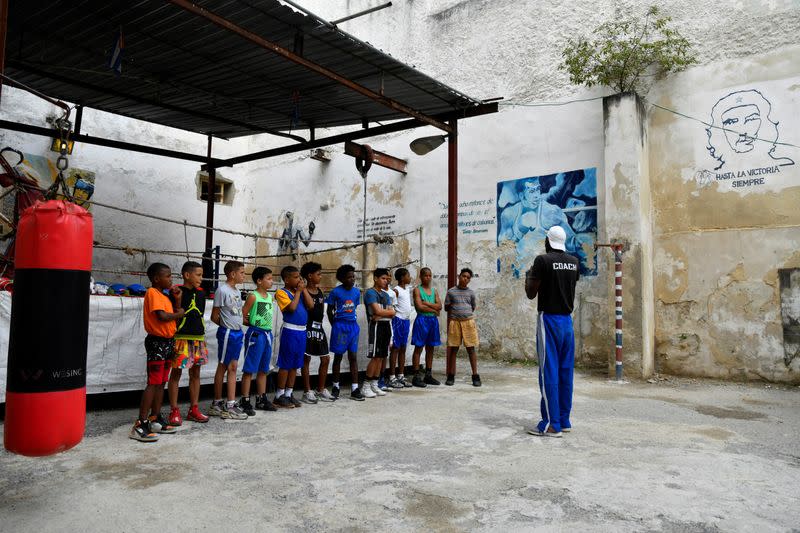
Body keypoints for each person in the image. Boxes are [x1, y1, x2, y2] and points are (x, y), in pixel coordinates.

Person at [524, 226, 579, 438]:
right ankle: (564, 420)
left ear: (548, 241)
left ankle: (551, 424)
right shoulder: (574, 262)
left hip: (549, 320)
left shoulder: (542, 260)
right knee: (566, 372)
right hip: (567, 321)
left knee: (549, 371)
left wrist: (529, 276)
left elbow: (531, 294)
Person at [130, 262, 184, 442]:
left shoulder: (166, 295)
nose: (171, 279)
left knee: (162, 381)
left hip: (168, 342)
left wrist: (177, 301)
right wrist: (180, 313)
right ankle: (140, 423)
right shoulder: (152, 293)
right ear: (156, 279)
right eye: (167, 276)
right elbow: (162, 317)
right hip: (157, 342)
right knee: (153, 383)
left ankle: (155, 418)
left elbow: (173, 315)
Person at [167, 261, 209, 426]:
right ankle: (174, 410)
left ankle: (194, 409)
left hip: (198, 338)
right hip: (180, 338)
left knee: (196, 374)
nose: (201, 278)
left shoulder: (201, 293)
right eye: (198, 275)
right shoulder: (176, 291)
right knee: (176, 374)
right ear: (186, 275)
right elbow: (175, 313)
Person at [208, 260, 248, 420]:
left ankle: (223, 403)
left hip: (237, 333)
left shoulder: (237, 292)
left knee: (231, 366)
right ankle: (224, 404)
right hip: (227, 333)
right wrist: (227, 326)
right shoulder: (222, 290)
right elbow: (214, 315)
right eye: (242, 273)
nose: (244, 275)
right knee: (227, 366)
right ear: (233, 274)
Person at [238, 266, 276, 416]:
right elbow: (243, 314)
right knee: (249, 368)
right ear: (259, 281)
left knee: (263, 369)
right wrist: (253, 325)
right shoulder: (253, 296)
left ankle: (261, 398)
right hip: (256, 334)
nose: (271, 281)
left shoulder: (269, 297)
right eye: (269, 278)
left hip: (267, 334)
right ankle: (245, 399)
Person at [327, 264, 365, 401]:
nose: (352, 279)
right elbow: (329, 310)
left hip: (353, 327)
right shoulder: (336, 292)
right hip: (340, 326)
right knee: (338, 357)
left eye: (353, 276)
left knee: (353, 357)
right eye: (349, 277)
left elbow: (354, 308)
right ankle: (336, 386)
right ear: (342, 278)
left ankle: (355, 388)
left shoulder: (356, 292)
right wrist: (335, 325)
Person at [273, 265, 307, 409]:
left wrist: (303, 290)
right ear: (286, 280)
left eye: (299, 277)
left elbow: (311, 305)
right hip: (290, 330)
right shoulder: (282, 292)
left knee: (295, 364)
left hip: (302, 331)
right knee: (286, 364)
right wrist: (299, 292)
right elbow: (291, 308)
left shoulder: (300, 292)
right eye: (295, 277)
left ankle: (289, 393)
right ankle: (279, 395)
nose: (299, 279)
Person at [300, 262, 334, 403]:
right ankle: (307, 391)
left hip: (318, 327)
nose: (321, 277)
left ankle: (320, 389)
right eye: (318, 274)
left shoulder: (320, 291)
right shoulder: (303, 291)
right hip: (307, 327)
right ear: (309, 276)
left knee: (325, 358)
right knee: (306, 359)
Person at [362, 268, 396, 397]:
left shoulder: (386, 295)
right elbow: (377, 311)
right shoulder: (370, 293)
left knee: (382, 356)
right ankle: (365, 385)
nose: (386, 281)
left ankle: (374, 384)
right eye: (383, 278)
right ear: (375, 278)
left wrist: (383, 313)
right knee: (375, 357)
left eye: (387, 279)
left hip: (386, 325)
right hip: (376, 326)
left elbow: (391, 312)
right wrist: (382, 313)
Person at [445, 268, 481, 387]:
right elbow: (446, 307)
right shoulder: (451, 292)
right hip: (455, 323)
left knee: (471, 349)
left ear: (469, 280)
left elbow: (472, 307)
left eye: (468, 277)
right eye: (463, 276)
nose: (465, 278)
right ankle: (451, 375)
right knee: (453, 349)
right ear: (458, 276)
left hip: (468, 323)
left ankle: (475, 376)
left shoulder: (471, 293)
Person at [409, 267, 442, 388]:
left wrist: (427, 303)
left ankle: (428, 374)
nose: (428, 277)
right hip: (422, 319)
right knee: (419, 347)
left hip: (433, 321)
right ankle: (416, 376)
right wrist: (434, 309)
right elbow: (419, 307)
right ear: (421, 277)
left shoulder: (434, 291)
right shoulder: (417, 290)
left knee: (431, 348)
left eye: (429, 275)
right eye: (425, 275)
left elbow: (440, 306)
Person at [387, 268, 413, 388]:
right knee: (395, 349)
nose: (410, 277)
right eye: (408, 275)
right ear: (402, 278)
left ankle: (401, 375)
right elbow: (391, 305)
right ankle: (392, 376)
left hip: (406, 321)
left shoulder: (407, 289)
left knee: (403, 348)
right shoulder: (396, 291)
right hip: (398, 320)